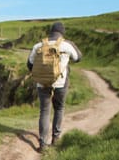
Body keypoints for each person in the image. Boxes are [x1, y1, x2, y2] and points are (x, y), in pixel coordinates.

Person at [27, 21, 83, 152]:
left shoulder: (38, 45)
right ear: (62, 33)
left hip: (42, 83)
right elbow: (78, 58)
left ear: (51, 32)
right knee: (59, 108)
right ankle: (56, 139)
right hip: (60, 83)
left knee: (44, 111)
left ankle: (42, 143)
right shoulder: (66, 45)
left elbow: (30, 64)